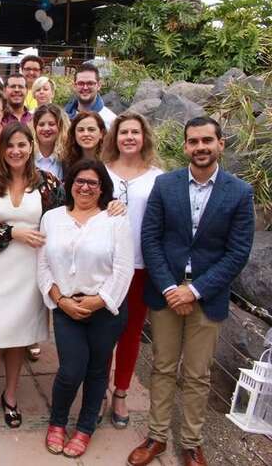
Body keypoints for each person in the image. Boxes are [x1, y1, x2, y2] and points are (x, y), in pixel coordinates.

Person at [127, 117, 255, 466]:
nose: (200, 147)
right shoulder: (165, 185)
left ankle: (191, 443)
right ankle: (155, 437)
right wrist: (171, 287)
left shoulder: (239, 192)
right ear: (185, 146)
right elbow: (150, 239)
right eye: (193, 141)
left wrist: (194, 290)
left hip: (207, 296)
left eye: (207, 141)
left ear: (220, 144)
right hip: (166, 291)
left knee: (198, 374)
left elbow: (237, 253)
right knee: (163, 367)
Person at [39, 159, 133, 458]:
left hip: (104, 308)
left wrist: (100, 300)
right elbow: (42, 264)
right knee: (70, 370)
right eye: (79, 181)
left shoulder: (115, 219)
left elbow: (123, 268)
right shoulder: (52, 218)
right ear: (69, 184)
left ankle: (85, 426)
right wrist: (60, 300)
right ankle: (57, 422)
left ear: (103, 187)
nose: (85, 187)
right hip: (66, 305)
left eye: (93, 182)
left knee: (96, 370)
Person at [0, 123, 64, 431]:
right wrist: (12, 232)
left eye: (22, 145)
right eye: (10, 145)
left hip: (30, 272)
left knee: (17, 339)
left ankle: (10, 395)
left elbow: (61, 223)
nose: (16, 151)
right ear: (1, 149)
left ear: (32, 147)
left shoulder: (48, 184)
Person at [101, 112, 164, 429]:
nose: (128, 137)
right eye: (123, 132)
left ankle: (121, 392)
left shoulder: (157, 177)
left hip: (140, 265)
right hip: (104, 266)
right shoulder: (102, 172)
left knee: (130, 333)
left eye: (134, 132)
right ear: (115, 137)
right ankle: (98, 389)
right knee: (101, 333)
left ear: (144, 137)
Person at [64, 63, 116, 128]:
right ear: (74, 86)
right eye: (81, 83)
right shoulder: (63, 118)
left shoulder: (110, 121)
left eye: (90, 83)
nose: (85, 88)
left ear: (99, 85)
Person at [33, 104, 69, 180]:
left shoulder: (68, 158)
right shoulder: (27, 156)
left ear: (60, 127)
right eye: (41, 124)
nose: (46, 128)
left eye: (52, 124)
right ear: (35, 128)